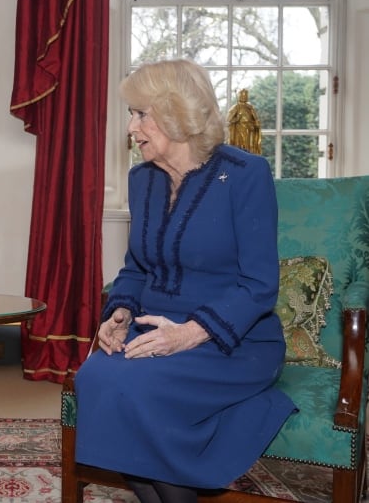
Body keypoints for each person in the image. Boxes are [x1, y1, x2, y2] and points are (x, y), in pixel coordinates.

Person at [74, 60, 296, 503]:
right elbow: (137, 267)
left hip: (232, 340)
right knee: (95, 378)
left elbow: (259, 284)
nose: (130, 127)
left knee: (136, 390)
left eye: (140, 114)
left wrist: (190, 334)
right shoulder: (142, 179)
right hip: (153, 331)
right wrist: (121, 312)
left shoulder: (245, 174)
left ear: (176, 113)